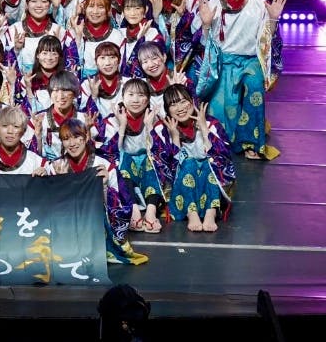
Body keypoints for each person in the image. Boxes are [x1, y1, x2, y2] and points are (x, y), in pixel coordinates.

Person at [197, 0, 286, 160]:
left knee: (254, 86)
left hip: (250, 61)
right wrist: (207, 24)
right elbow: (206, 44)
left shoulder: (259, 4)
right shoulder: (212, 5)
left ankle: (251, 143)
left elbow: (266, 41)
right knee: (221, 116)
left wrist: (273, 19)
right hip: (223, 63)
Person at [45, 118, 148, 265]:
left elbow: (123, 207)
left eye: (77, 137)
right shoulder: (55, 166)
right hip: (66, 224)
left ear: (86, 137)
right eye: (66, 139)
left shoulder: (104, 165)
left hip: (94, 226)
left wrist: (105, 188)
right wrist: (51, 180)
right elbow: (46, 206)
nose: (72, 143)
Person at [97, 78, 170, 234]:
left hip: (146, 167)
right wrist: (122, 126)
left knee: (154, 161)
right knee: (124, 159)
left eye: (141, 95)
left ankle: (150, 213)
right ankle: (134, 212)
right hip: (125, 168)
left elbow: (162, 152)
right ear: (123, 97)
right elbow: (109, 152)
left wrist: (149, 127)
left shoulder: (154, 119)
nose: (135, 100)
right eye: (131, 95)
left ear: (148, 99)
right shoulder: (112, 120)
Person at [163, 83, 236, 232]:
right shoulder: (166, 129)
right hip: (183, 188)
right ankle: (191, 213)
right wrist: (175, 138)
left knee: (209, 162)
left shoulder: (211, 124)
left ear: (192, 101)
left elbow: (223, 161)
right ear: (167, 110)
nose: (180, 108)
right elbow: (170, 170)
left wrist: (204, 129)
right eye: (173, 104)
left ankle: (211, 212)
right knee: (189, 163)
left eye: (183, 101)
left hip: (208, 184)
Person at [0, 105, 44, 174]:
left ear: (23, 131)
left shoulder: (37, 162)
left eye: (16, 126)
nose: (10, 131)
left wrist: (45, 177)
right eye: (4, 126)